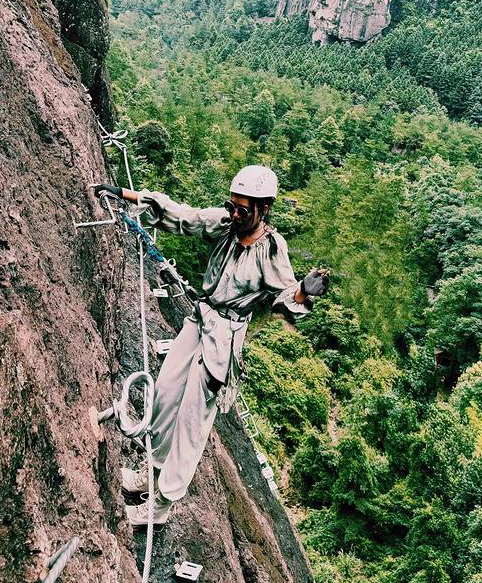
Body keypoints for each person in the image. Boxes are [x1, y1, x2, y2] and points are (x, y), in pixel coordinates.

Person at [93, 165, 329, 528]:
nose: (235, 214)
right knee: (165, 396)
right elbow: (183, 216)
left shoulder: (271, 249)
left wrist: (302, 292)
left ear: (264, 208)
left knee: (191, 421)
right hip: (200, 318)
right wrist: (124, 194)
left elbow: (284, 297)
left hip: (225, 336)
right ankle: (150, 473)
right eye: (232, 206)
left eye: (243, 210)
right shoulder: (225, 225)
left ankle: (161, 505)